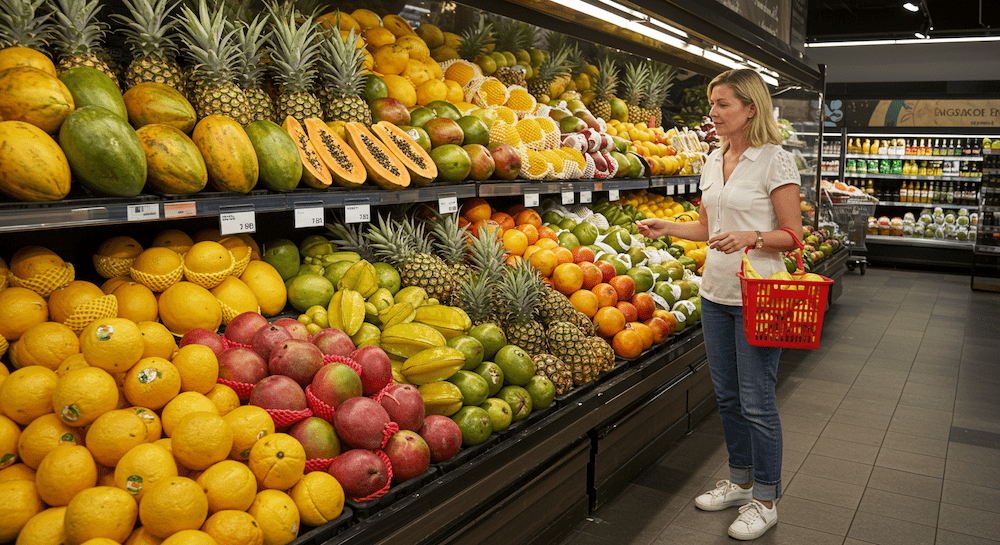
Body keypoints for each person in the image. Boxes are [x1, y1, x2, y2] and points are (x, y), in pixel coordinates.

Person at [638, 69, 802, 541]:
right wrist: (667, 228)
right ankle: (740, 480)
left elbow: (793, 236)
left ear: (751, 108)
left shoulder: (775, 162)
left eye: (723, 104)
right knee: (728, 398)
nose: (712, 113)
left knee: (757, 403)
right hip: (715, 294)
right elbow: (708, 229)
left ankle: (766, 499)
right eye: (711, 104)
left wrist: (753, 237)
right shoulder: (712, 159)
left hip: (761, 297)